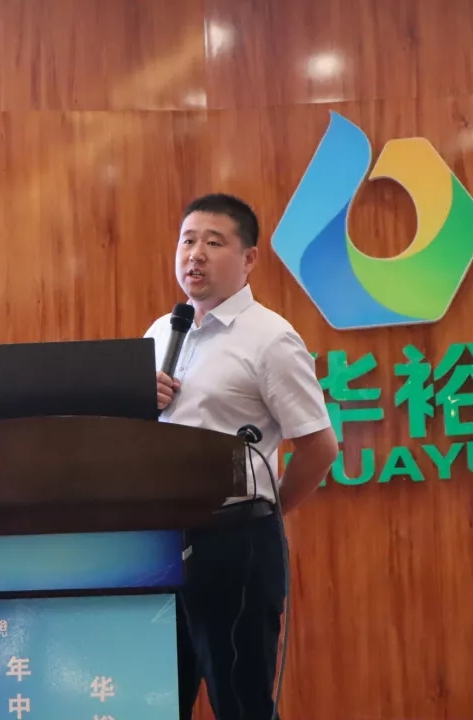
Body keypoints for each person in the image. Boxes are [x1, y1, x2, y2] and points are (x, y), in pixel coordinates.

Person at [144, 193, 339, 720]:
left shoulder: (270, 338)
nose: (195, 254)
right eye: (187, 241)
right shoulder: (161, 332)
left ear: (249, 258)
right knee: (156, 701)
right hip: (158, 542)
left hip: (235, 542)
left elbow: (319, 447)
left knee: (240, 703)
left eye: (213, 242)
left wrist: (266, 512)